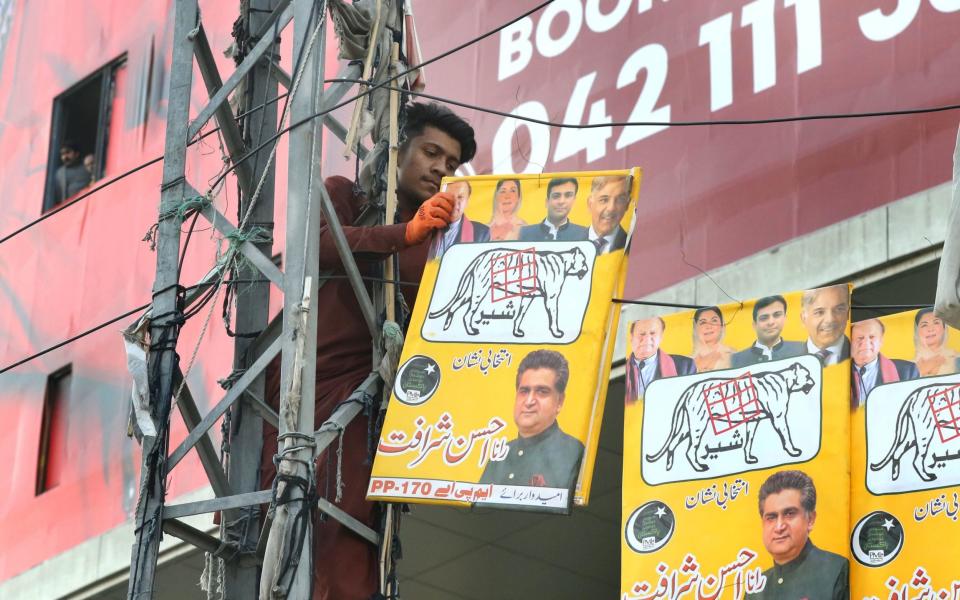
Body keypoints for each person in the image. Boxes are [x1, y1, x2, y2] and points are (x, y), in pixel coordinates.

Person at [259, 102, 476, 600]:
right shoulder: (346, 197)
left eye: (452, 163)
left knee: (355, 531)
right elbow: (309, 248)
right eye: (431, 152)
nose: (441, 168)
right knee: (289, 517)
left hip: (379, 402)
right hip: (309, 388)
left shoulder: (443, 241)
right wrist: (404, 234)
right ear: (396, 150)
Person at [479, 350, 584, 490]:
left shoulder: (574, 453)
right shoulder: (499, 456)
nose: (529, 401)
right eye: (524, 391)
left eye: (542, 391)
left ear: (560, 401)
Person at [750, 470, 849, 599]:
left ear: (810, 519)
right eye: (771, 517)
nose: (779, 527)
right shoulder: (756, 589)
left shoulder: (837, 571)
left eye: (789, 514)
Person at [851, 318, 919, 407]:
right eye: (860, 338)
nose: (866, 343)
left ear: (881, 341)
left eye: (872, 337)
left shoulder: (908, 372)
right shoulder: (836, 373)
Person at [625, 317, 696, 402]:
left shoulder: (686, 366)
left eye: (652, 333)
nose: (647, 339)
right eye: (642, 333)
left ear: (661, 337)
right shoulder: (622, 372)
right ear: (631, 337)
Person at [732, 295, 806, 368]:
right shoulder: (736, 360)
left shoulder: (803, 349)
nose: (771, 322)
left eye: (777, 315)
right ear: (754, 325)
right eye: (764, 318)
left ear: (785, 318)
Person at [518, 177, 588, 242]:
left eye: (568, 195)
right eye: (556, 196)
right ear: (547, 202)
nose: (561, 201)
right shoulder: (524, 233)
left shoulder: (584, 234)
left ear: (574, 200)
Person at [432, 179, 490, 257]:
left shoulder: (482, 233)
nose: (455, 202)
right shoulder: (428, 226)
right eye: (450, 196)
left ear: (467, 201)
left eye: (460, 197)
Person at [800, 284, 850, 366]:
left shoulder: (862, 354)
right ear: (803, 318)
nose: (830, 319)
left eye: (839, 309)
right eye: (820, 312)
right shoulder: (786, 360)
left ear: (848, 314)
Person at [585, 175, 630, 254]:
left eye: (620, 200)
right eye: (604, 200)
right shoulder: (568, 241)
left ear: (627, 205)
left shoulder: (633, 247)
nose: (611, 208)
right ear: (590, 204)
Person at [913, 307, 960, 376]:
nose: (930, 329)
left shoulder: (957, 360)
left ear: (944, 328)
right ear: (917, 331)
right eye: (924, 325)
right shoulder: (907, 367)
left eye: (936, 323)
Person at [691, 306, 735, 373]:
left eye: (714, 321)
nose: (708, 326)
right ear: (695, 327)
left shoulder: (732, 357)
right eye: (703, 322)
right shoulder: (687, 362)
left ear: (722, 326)